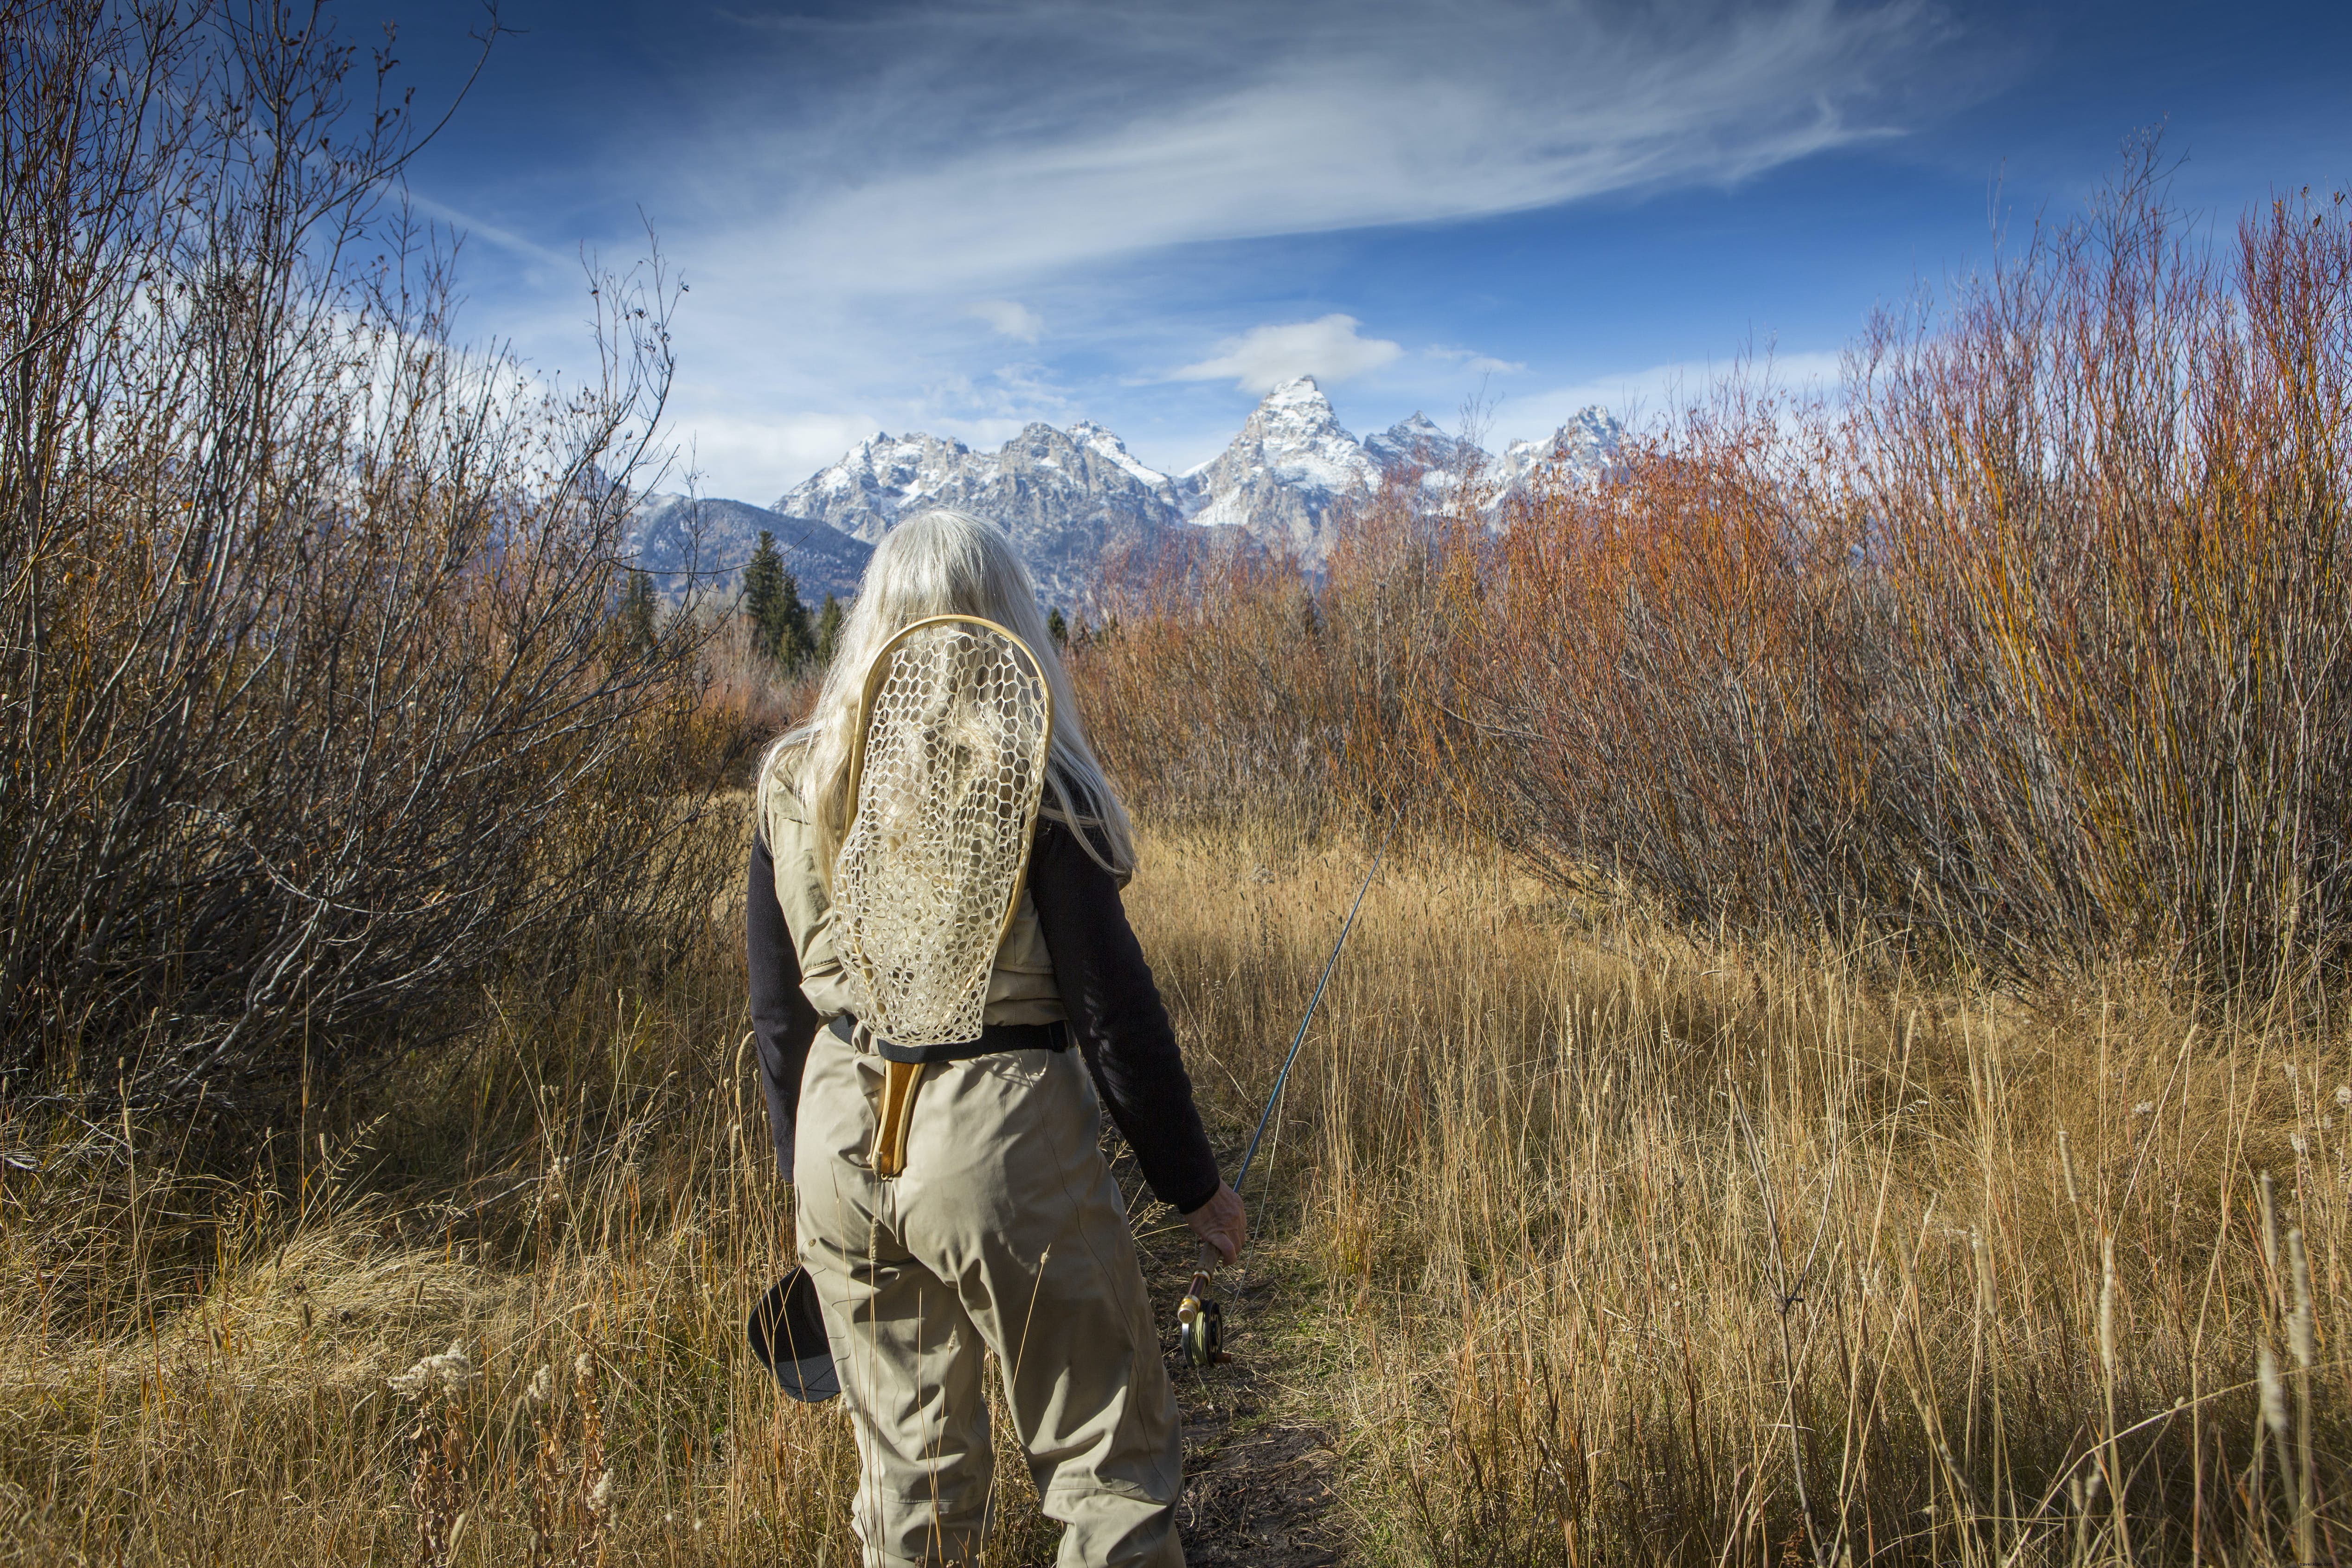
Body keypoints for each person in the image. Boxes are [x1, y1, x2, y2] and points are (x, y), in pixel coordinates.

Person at [745, 508, 1247, 1568]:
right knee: (1104, 1461)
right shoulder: (1038, 784)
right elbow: (1113, 1013)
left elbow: (780, 1015)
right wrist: (1192, 1183)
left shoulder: (795, 778)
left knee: (908, 1488)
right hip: (997, 1132)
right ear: (1006, 620)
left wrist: (805, 1176)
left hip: (839, 1139)